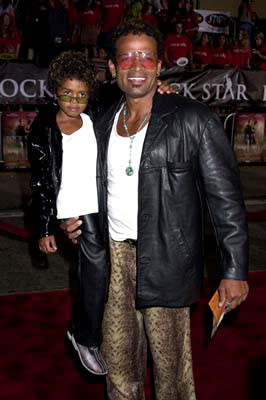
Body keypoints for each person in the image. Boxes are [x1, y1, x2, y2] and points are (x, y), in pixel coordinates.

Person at [61, 19, 249, 400]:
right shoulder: (99, 122)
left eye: (146, 57)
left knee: (172, 374)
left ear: (160, 65)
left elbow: (225, 199)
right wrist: (71, 217)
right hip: (111, 263)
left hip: (167, 259)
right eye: (126, 57)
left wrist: (234, 269)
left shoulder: (192, 118)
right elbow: (87, 183)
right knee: (118, 369)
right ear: (111, 67)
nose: (136, 66)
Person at [27, 50, 108, 376]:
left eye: (81, 95)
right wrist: (45, 226)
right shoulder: (44, 127)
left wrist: (163, 87)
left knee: (103, 273)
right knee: (97, 265)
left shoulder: (95, 117)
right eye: (67, 94)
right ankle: (84, 335)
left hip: (102, 203)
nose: (74, 102)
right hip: (74, 209)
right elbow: (41, 182)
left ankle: (94, 330)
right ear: (54, 90)